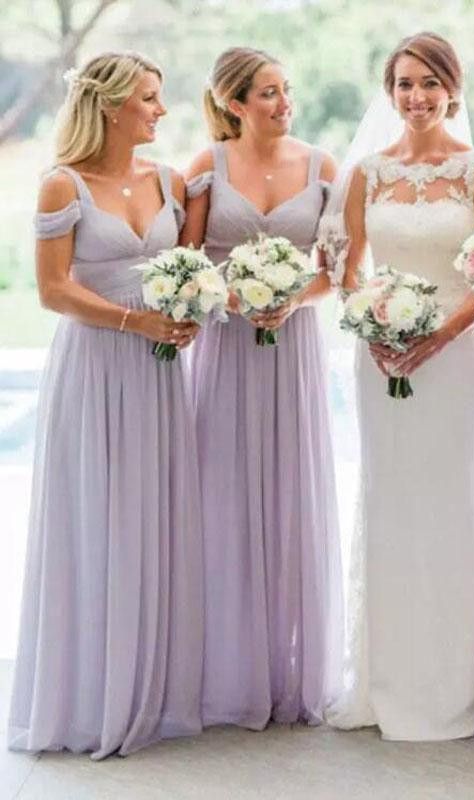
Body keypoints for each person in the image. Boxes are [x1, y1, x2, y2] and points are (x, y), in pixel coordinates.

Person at [8, 51, 203, 759]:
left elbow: (189, 268)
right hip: (95, 366)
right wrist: (135, 322)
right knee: (95, 516)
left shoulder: (170, 181)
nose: (160, 110)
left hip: (158, 372)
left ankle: (150, 686)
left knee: (152, 515)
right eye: (149, 98)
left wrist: (185, 313)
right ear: (113, 105)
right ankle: (89, 696)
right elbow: (53, 290)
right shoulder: (63, 185)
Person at [325, 31, 474, 740]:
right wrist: (372, 325)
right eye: (405, 83)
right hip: (381, 360)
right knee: (391, 501)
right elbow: (348, 270)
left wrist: (439, 334)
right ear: (390, 92)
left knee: (452, 502)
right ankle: (388, 682)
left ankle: (454, 686)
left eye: (430, 82)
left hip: (455, 359)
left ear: (452, 90)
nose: (417, 96)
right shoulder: (367, 174)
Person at [181, 46, 342, 728]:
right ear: (235, 103)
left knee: (291, 496)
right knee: (223, 495)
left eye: (286, 90)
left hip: (293, 348)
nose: (284, 104)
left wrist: (293, 298)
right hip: (226, 346)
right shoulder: (206, 166)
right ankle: (227, 670)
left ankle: (288, 669)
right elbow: (187, 263)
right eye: (269, 93)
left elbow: (335, 272)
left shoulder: (323, 166)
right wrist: (232, 299)